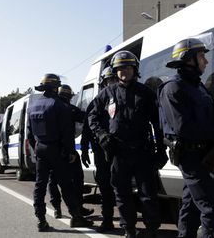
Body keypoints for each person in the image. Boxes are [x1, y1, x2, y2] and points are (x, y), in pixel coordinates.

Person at [158, 37, 214, 238]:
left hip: (203, 153)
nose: (205, 61)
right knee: (211, 208)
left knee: (191, 206)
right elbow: (183, 128)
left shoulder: (198, 87)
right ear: (188, 59)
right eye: (201, 56)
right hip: (189, 155)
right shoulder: (173, 88)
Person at [88, 51, 168, 238]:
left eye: (127, 67)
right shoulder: (107, 93)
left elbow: (157, 122)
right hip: (118, 152)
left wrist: (161, 148)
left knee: (148, 194)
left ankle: (151, 229)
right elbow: (92, 116)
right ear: (115, 71)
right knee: (122, 194)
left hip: (142, 151)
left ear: (134, 69)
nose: (123, 70)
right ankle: (129, 229)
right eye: (119, 68)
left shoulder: (146, 93)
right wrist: (102, 136)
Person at [27, 73, 93, 232]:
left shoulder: (33, 106)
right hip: (56, 150)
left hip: (40, 148)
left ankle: (41, 220)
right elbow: (66, 133)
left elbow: (30, 134)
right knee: (66, 185)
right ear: (55, 87)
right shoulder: (58, 105)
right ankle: (76, 217)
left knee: (40, 185)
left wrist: (37, 147)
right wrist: (70, 152)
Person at [47, 84, 94, 219]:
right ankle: (78, 208)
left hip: (51, 152)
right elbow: (86, 118)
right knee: (76, 179)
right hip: (67, 152)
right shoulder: (68, 109)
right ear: (69, 97)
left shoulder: (49, 107)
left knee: (53, 181)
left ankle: (57, 209)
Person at [80, 66, 117, 233]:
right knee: (105, 186)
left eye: (114, 79)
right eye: (109, 80)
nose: (112, 83)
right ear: (103, 83)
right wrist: (85, 149)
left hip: (120, 151)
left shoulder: (126, 96)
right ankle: (107, 220)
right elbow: (88, 127)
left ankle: (126, 222)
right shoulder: (98, 101)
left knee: (121, 186)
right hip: (101, 152)